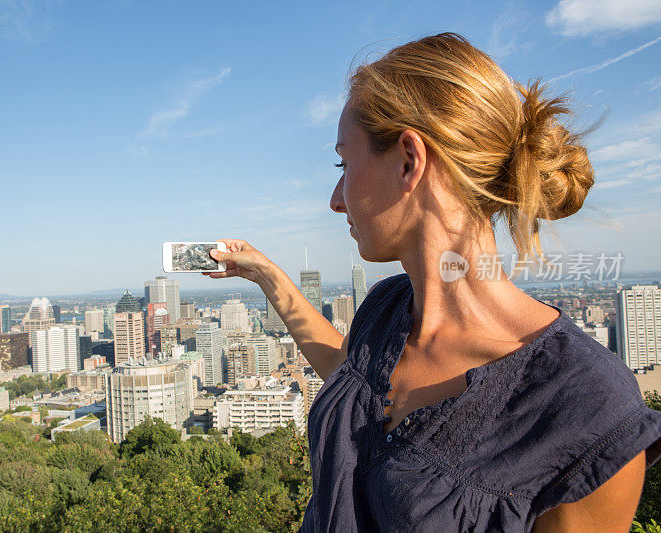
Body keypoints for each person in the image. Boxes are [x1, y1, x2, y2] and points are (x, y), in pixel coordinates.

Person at [204, 32, 661, 532]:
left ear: (408, 161)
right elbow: (350, 375)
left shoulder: (585, 406)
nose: (336, 199)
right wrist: (270, 278)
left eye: (343, 163)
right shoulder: (387, 307)